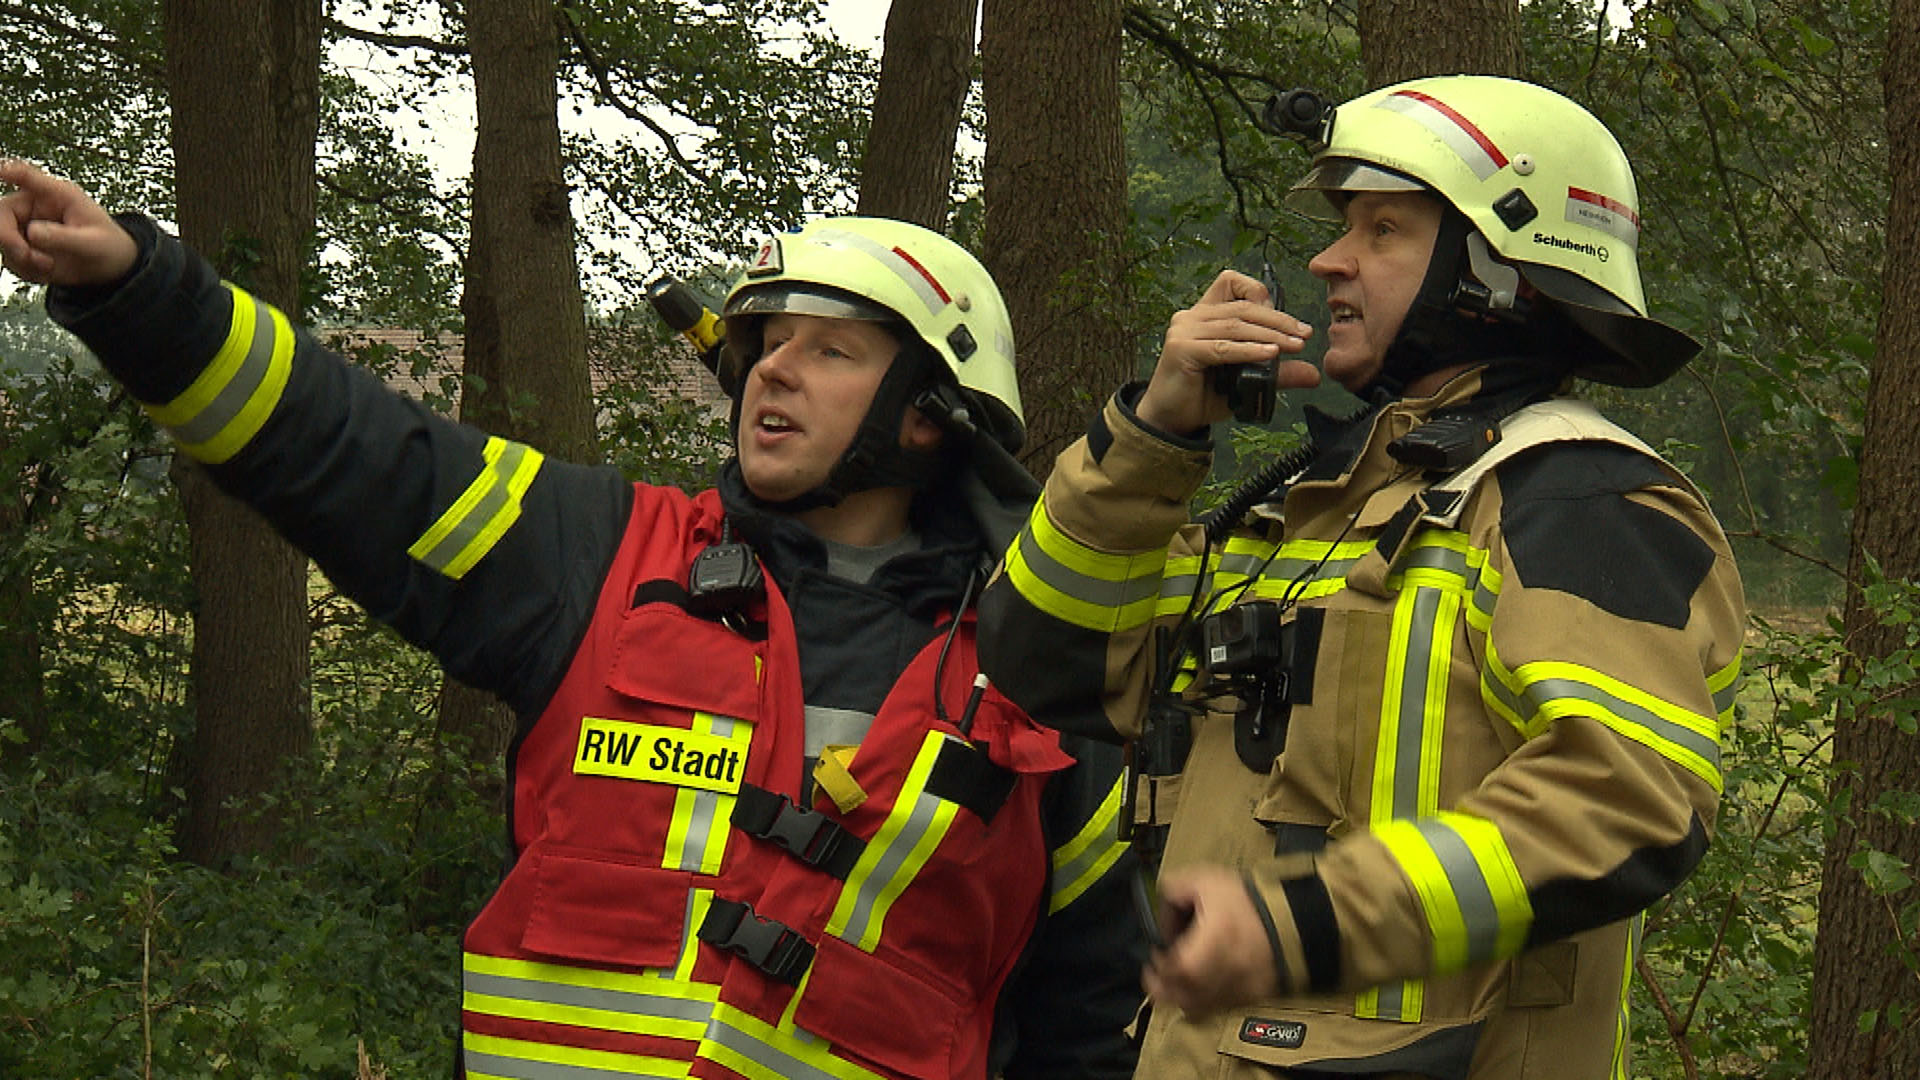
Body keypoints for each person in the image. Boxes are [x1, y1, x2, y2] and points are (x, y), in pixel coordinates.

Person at [0, 160, 1147, 1079]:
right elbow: (348, 455)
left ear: (932, 418)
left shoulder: (1041, 681)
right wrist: (136, 290)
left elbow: (1082, 1026)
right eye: (765, 343)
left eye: (831, 350)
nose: (771, 373)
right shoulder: (601, 557)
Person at [976, 74, 1746, 1079]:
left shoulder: (1577, 499)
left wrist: (1305, 925)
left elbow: (1627, 796)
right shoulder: (1305, 508)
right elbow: (1050, 660)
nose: (1327, 260)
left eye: (1383, 231)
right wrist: (1155, 438)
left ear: (1497, 268)